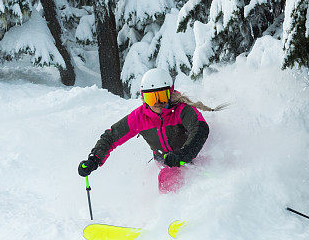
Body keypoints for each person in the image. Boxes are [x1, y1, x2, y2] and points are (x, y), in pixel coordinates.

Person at [78, 68, 216, 193]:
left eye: (161, 97)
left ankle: (185, 211)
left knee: (178, 177)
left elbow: (200, 129)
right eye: (151, 98)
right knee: (160, 178)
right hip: (166, 162)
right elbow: (111, 137)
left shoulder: (182, 110)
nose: (157, 103)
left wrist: (183, 155)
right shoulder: (140, 117)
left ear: (170, 93)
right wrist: (94, 159)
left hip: (193, 156)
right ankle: (163, 214)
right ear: (144, 98)